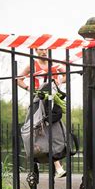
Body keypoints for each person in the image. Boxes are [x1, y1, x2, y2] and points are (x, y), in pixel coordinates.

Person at [18, 48, 67, 178]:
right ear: (36, 50)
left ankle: (57, 166)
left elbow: (67, 73)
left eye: (46, 49)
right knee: (34, 129)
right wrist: (29, 88)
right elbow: (18, 79)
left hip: (52, 100)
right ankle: (38, 165)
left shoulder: (55, 64)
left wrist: (60, 81)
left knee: (52, 130)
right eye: (41, 49)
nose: (44, 51)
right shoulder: (32, 65)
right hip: (37, 101)